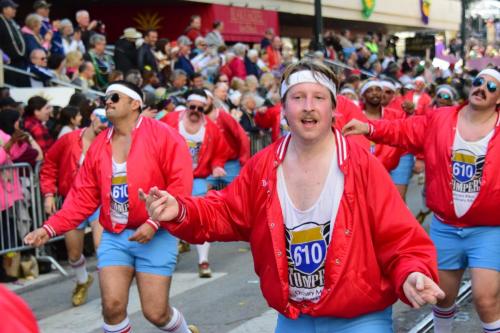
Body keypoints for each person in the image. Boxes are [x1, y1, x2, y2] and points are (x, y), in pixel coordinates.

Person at [142, 59, 443, 332]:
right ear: (284, 109)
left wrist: (412, 273)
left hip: (359, 316)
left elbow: (400, 238)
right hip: (295, 317)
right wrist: (181, 210)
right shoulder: (264, 167)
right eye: (298, 97)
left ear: (333, 109)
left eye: (318, 97)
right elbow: (225, 211)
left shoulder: (362, 166)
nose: (308, 106)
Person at [24, 81, 199, 333]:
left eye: (115, 97)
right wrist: (49, 229)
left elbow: (180, 185)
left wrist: (154, 222)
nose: (108, 101)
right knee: (112, 308)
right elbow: (82, 197)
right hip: (115, 237)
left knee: (156, 313)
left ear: (135, 103)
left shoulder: (164, 135)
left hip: (156, 235)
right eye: (106, 97)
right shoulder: (99, 146)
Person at [342, 68, 500, 333]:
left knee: (485, 300)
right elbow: (403, 130)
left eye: (492, 87)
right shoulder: (440, 118)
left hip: (488, 229)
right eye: (478, 82)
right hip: (445, 227)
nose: (482, 87)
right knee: (442, 297)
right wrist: (369, 127)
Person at [40, 108, 108, 307]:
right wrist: (49, 194)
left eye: (109, 121)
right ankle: (82, 280)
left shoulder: (109, 141)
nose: (105, 124)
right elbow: (50, 163)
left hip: (99, 201)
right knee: (74, 254)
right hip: (73, 201)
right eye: (103, 119)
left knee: (101, 247)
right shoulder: (69, 140)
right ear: (93, 117)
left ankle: (111, 292)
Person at [161, 89, 230, 278]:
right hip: (172, 177)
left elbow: (220, 152)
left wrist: (216, 166)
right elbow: (154, 141)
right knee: (167, 215)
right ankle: (169, 256)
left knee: (201, 218)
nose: (195, 111)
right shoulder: (170, 121)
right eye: (192, 107)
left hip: (197, 177)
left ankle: (203, 261)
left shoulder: (211, 129)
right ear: (186, 105)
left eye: (200, 108)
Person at [359, 80, 404, 172]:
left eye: (378, 90)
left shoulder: (396, 115)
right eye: (369, 90)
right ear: (363, 95)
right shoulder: (356, 115)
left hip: (391, 167)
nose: (374, 93)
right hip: (363, 168)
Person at [0, 0, 29, 87]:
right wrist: (3, 56)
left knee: (24, 86)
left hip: (21, 62)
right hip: (9, 62)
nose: (15, 10)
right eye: (12, 8)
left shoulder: (13, 22)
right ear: (4, 9)